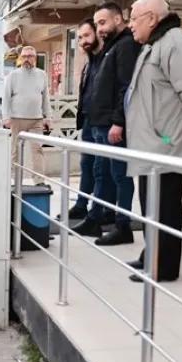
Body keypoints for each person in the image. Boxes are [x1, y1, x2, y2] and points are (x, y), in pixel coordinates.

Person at [124, 0, 182, 282]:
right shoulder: (156, 44)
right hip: (152, 144)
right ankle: (151, 254)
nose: (130, 25)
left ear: (152, 18)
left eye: (134, 18)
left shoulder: (175, 42)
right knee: (150, 205)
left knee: (163, 207)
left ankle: (162, 267)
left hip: (167, 142)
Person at [72, 1, 142, 246]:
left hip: (111, 125)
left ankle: (122, 225)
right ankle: (99, 216)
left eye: (102, 23)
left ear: (118, 19)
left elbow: (126, 87)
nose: (100, 28)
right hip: (99, 122)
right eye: (97, 24)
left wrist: (118, 121)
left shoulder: (124, 46)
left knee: (119, 175)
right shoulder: (109, 49)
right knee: (104, 172)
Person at [62, 19, 115, 222]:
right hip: (88, 121)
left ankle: (102, 211)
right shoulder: (89, 62)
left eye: (87, 35)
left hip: (103, 123)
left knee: (102, 169)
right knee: (87, 166)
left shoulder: (107, 59)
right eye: (80, 37)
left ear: (97, 34)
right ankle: (82, 205)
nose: (83, 41)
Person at [2, 46, 52, 185]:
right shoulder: (13, 75)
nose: (26, 59)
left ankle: (39, 180)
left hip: (36, 119)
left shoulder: (42, 74)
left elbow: (45, 97)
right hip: (17, 119)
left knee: (37, 150)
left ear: (35, 59)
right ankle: (14, 180)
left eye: (30, 56)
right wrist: (6, 117)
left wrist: (48, 117)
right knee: (15, 151)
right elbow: (6, 97)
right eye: (24, 56)